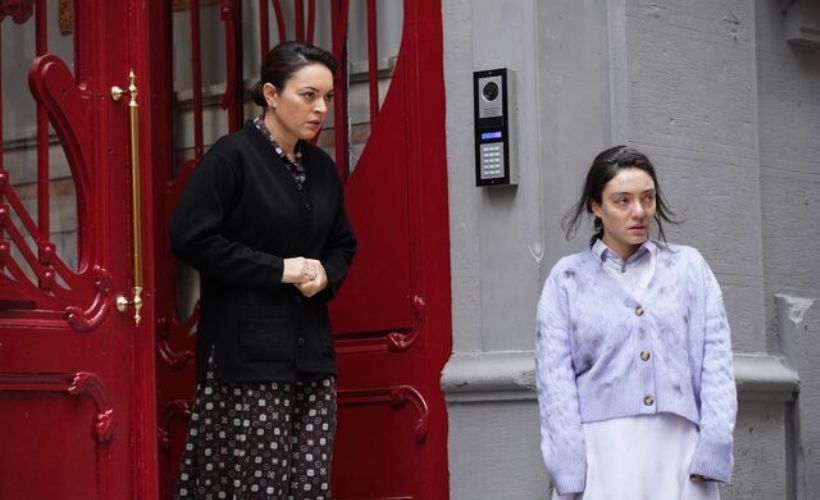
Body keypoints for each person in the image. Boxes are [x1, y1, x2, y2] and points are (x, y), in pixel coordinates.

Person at [169, 41, 356, 499]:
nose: (321, 108)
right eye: (308, 95)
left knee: (309, 487)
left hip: (311, 357)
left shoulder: (321, 168)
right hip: (246, 360)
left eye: (327, 97)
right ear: (271, 94)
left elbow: (343, 243)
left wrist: (326, 275)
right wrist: (278, 270)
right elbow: (191, 237)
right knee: (254, 489)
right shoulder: (232, 157)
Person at [535, 145, 737, 499]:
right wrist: (568, 468)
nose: (639, 212)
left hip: (680, 456)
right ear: (595, 207)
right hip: (602, 456)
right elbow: (554, 381)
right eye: (622, 201)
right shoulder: (567, 279)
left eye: (648, 198)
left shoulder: (689, 268)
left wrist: (714, 447)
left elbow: (716, 362)